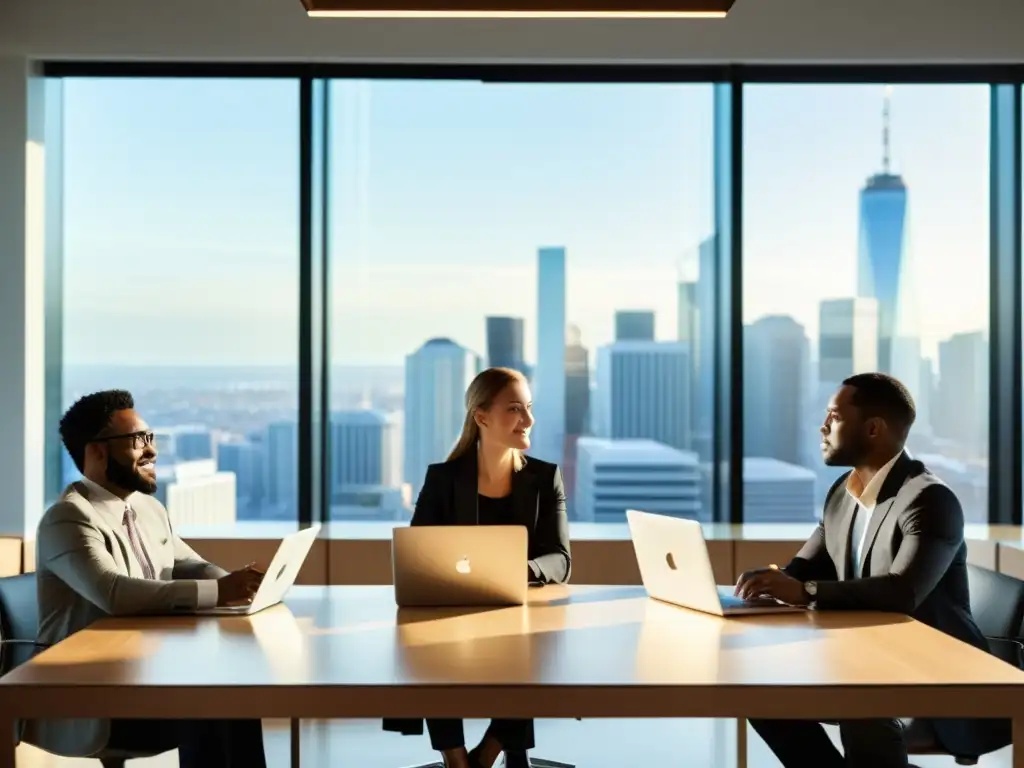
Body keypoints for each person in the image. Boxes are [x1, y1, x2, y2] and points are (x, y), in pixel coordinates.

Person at [734, 373, 1008, 768]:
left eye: (833, 416)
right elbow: (802, 571)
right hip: (868, 661)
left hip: (942, 679)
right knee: (764, 692)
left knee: (860, 695)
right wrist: (766, 583)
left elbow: (902, 593)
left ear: (874, 428)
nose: (822, 427)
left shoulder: (929, 500)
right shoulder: (841, 494)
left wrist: (806, 592)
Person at [26, 389, 268, 767]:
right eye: (138, 440)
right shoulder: (68, 519)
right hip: (92, 694)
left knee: (232, 694)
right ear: (98, 451)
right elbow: (114, 593)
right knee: (211, 703)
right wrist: (219, 591)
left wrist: (241, 585)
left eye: (151, 438)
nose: (151, 450)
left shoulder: (147, 508)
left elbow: (191, 563)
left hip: (149, 671)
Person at [384, 367, 571, 768]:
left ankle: (487, 753)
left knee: (530, 650)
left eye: (530, 408)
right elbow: (419, 554)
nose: (528, 420)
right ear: (482, 417)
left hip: (521, 613)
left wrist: (519, 570)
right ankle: (455, 757)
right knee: (431, 645)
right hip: (456, 611)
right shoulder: (442, 480)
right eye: (515, 409)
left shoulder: (544, 478)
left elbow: (560, 559)